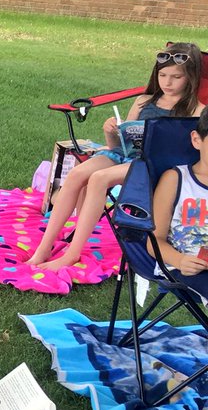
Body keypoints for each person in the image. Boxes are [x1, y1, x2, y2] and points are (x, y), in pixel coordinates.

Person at [26, 43, 205, 271]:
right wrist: (111, 133)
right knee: (78, 173)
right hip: (125, 155)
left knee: (99, 178)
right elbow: (121, 144)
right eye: (162, 75)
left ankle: (72, 254)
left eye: (176, 76)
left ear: (191, 77)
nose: (167, 83)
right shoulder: (143, 101)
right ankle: (44, 247)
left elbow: (189, 152)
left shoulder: (197, 111)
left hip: (152, 166)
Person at [150, 110, 208, 277]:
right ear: (197, 140)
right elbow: (154, 240)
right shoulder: (176, 180)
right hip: (187, 268)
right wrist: (179, 260)